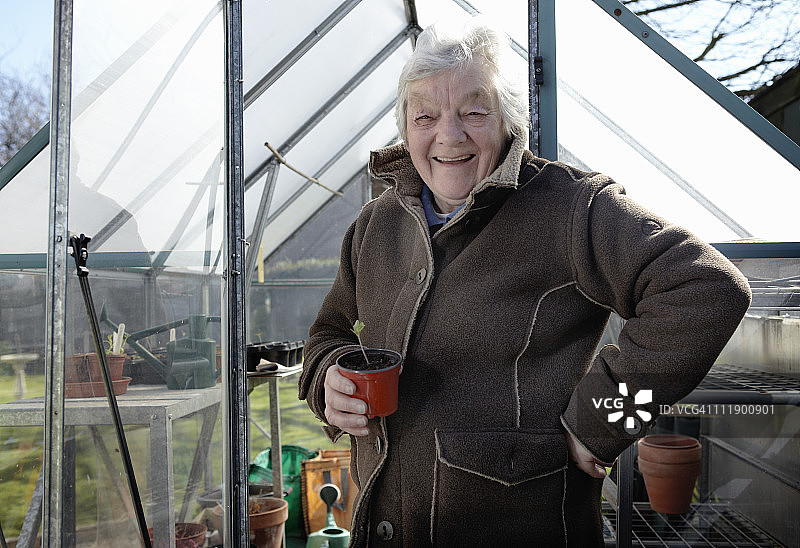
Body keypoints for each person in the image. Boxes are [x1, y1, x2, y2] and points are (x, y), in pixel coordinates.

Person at [299, 19, 751, 547]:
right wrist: (327, 381)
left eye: (473, 111)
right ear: (405, 128)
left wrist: (605, 419)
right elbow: (327, 335)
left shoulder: (568, 207)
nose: (449, 135)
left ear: (506, 121)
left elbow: (707, 289)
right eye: (426, 115)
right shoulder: (374, 227)